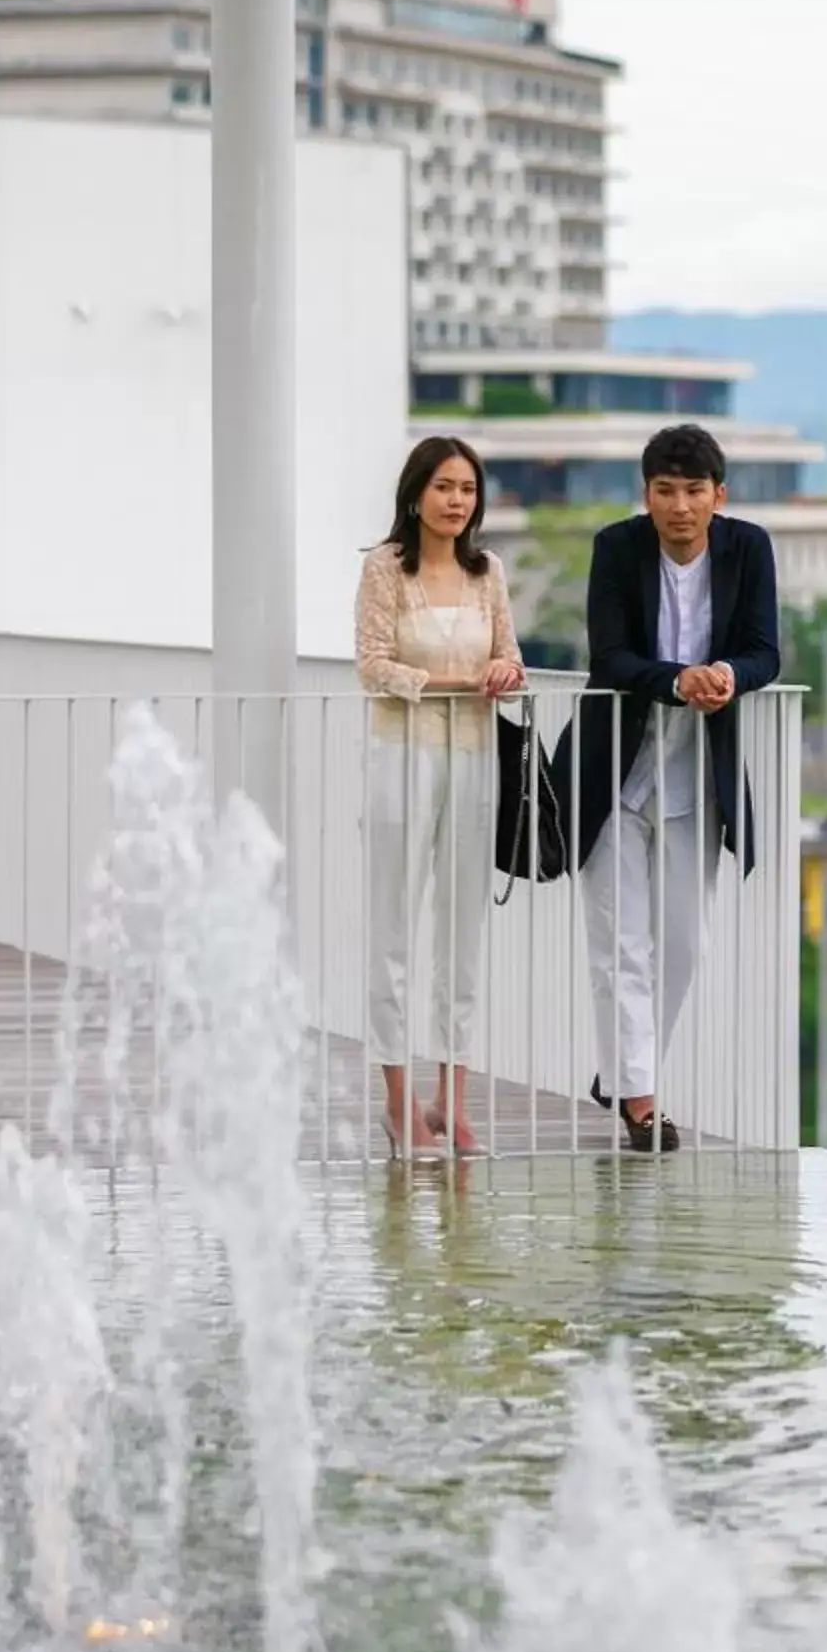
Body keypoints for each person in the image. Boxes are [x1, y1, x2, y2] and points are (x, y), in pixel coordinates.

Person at [571, 423, 780, 1153]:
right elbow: (610, 656)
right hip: (612, 774)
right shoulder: (616, 547)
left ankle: (622, 1072)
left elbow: (764, 650)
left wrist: (728, 676)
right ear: (647, 495)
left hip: (700, 772)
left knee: (684, 945)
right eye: (666, 491)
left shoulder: (748, 548)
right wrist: (673, 680)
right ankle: (640, 1103)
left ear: (719, 496)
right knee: (618, 946)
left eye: (694, 491)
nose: (680, 506)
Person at [354, 436, 525, 1156]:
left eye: (467, 489)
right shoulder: (385, 568)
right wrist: (447, 685)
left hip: (474, 759)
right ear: (417, 492)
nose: (457, 501)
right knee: (393, 928)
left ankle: (449, 1100)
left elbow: (511, 653)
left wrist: (504, 673)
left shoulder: (489, 574)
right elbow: (371, 665)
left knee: (462, 934)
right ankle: (397, 1102)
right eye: (445, 487)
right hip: (401, 757)